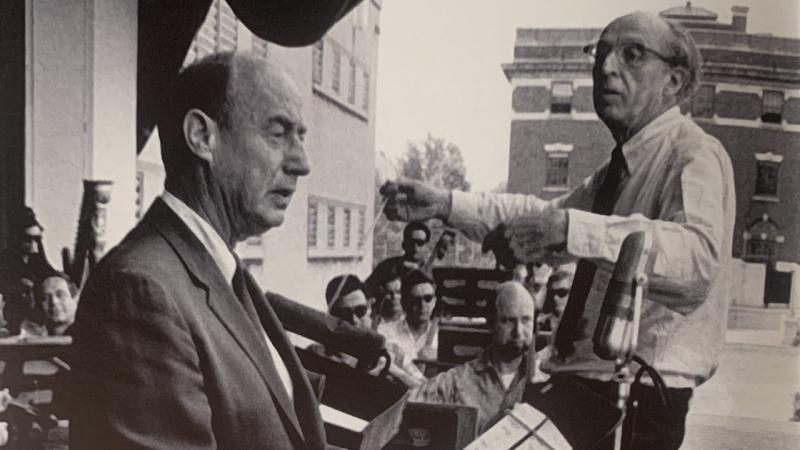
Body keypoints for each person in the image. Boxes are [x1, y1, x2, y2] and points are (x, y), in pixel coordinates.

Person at [382, 12, 735, 450]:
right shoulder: (617, 173)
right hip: (582, 391)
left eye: (632, 55)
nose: (606, 67)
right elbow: (540, 215)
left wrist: (568, 229)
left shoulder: (695, 155)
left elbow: (697, 262)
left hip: (632, 404)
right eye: (601, 53)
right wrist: (445, 204)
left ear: (674, 81)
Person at [69, 52, 327, 449]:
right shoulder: (140, 291)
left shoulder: (219, 270)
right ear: (202, 137)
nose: (301, 162)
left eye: (301, 136)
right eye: (278, 134)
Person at [409, 281, 535, 434]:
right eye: (508, 321)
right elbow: (407, 408)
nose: (518, 331)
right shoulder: (457, 381)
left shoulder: (545, 381)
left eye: (526, 320)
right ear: (490, 323)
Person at [0, 207, 56, 335]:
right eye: (28, 239)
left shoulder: (37, 260)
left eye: (37, 239)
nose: (33, 244)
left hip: (38, 318)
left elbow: (50, 275)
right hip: (12, 315)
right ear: (17, 238)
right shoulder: (5, 259)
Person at [378, 269, 438, 383]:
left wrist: (439, 357)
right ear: (404, 302)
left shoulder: (442, 337)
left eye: (428, 298)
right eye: (416, 300)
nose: (422, 305)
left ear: (434, 301)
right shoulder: (384, 333)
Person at [309, 274, 372, 364]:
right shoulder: (315, 354)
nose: (354, 319)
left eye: (360, 311)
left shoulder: (386, 352)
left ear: (369, 310)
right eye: (345, 314)